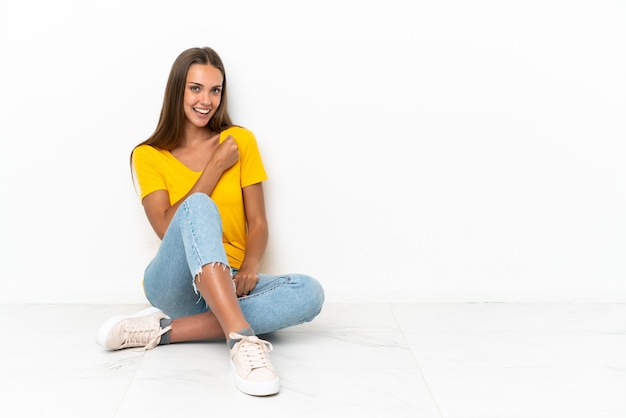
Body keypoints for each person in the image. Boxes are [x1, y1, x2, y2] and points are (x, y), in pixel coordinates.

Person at [96, 46, 325, 397]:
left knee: (309, 293)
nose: (206, 100)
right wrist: (215, 166)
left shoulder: (241, 141)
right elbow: (165, 225)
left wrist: (250, 266)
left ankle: (162, 331)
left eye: (215, 90)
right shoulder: (148, 155)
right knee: (198, 205)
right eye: (196, 88)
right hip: (177, 284)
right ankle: (241, 339)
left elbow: (258, 222)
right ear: (178, 91)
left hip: (232, 282)